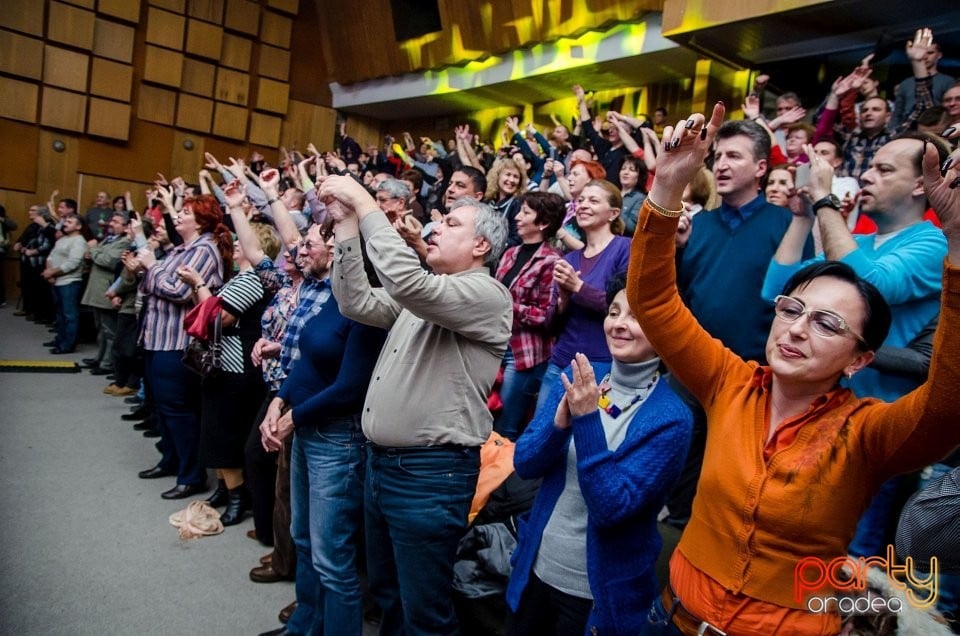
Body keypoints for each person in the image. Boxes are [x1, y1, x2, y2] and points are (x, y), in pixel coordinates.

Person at [627, 102, 960, 635]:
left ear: (859, 360)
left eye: (827, 324)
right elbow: (656, 304)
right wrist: (666, 189)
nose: (797, 329)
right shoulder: (730, 381)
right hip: (673, 617)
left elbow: (948, 402)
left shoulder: (866, 432)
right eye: (791, 310)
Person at [321, 174, 511, 636]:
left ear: (481, 245)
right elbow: (356, 301)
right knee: (390, 599)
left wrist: (363, 200)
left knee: (425, 615)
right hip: (383, 467)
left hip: (430, 475)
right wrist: (346, 225)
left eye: (450, 223)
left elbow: (407, 283)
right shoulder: (427, 297)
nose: (434, 229)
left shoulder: (488, 295)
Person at [507, 274, 693, 636]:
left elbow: (611, 508)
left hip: (593, 594)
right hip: (536, 568)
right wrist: (559, 426)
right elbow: (524, 463)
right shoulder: (585, 375)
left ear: (665, 326)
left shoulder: (670, 418)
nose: (619, 324)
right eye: (614, 311)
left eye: (636, 317)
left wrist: (587, 419)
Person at [257, 231, 387, 636]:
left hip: (338, 439)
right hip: (308, 427)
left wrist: (292, 418)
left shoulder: (370, 306)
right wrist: (279, 402)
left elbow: (349, 387)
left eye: (337, 245)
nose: (323, 249)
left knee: (333, 559)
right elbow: (306, 362)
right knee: (304, 538)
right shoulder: (335, 294)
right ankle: (305, 625)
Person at [178, 220, 279, 526]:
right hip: (224, 364)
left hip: (238, 367)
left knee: (224, 433)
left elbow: (219, 319)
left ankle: (238, 498)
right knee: (215, 429)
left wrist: (198, 284)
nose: (235, 243)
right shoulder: (241, 277)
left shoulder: (252, 280)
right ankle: (225, 489)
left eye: (242, 241)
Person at [135, 194, 230, 499]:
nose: (176, 217)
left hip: (176, 341)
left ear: (201, 221)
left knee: (178, 410)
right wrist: (149, 270)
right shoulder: (180, 249)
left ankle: (191, 475)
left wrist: (151, 267)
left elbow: (177, 291)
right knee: (162, 407)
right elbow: (155, 283)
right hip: (155, 337)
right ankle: (171, 460)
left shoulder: (205, 249)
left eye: (185, 213)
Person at [534, 180, 630, 415]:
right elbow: (549, 325)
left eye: (593, 200)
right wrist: (563, 300)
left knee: (596, 435)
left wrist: (577, 286)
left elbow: (623, 309)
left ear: (613, 213)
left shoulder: (625, 249)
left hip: (602, 368)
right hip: (560, 365)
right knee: (540, 432)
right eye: (581, 200)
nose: (583, 205)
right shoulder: (569, 259)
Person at [492, 192, 564, 440]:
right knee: (487, 417)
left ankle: (504, 478)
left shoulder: (551, 261)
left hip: (523, 354)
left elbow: (547, 317)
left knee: (506, 427)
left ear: (543, 223)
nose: (518, 217)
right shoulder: (510, 253)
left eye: (525, 212)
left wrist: (507, 304)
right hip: (496, 344)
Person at [80, 211, 131, 374]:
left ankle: (108, 363)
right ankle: (99, 358)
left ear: (125, 226)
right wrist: (95, 252)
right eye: (112, 221)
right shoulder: (110, 239)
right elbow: (93, 256)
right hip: (96, 289)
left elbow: (108, 261)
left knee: (109, 330)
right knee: (100, 328)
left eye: (116, 222)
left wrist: (94, 249)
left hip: (107, 288)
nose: (111, 224)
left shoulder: (125, 242)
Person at [42, 214, 88, 354]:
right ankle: (60, 339)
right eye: (66, 221)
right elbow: (51, 256)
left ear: (78, 226)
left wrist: (51, 273)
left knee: (69, 315)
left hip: (69, 282)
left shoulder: (79, 241)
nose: (65, 223)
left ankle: (67, 345)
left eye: (70, 222)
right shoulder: (62, 239)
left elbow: (72, 264)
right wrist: (49, 272)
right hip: (56, 280)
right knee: (60, 314)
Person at [618, 155, 649, 236]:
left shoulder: (641, 198)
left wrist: (613, 211)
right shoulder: (611, 193)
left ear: (639, 176)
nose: (626, 172)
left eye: (632, 170)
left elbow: (632, 227)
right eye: (623, 168)